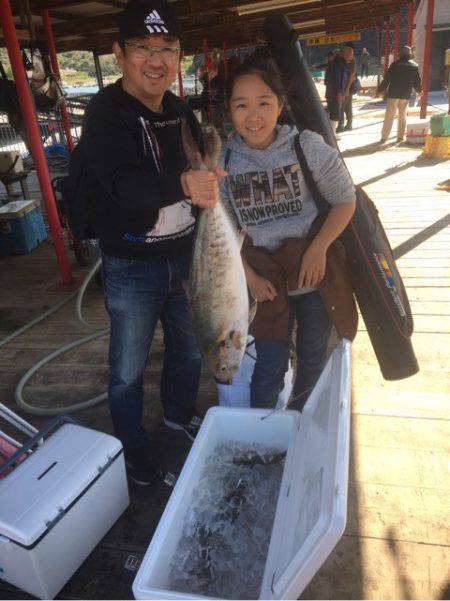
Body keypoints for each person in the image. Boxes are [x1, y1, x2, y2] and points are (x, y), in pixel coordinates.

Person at [81, 0, 224, 485]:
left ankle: (177, 417)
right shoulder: (105, 113)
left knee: (188, 351)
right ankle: (131, 445)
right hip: (130, 264)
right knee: (126, 369)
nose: (155, 59)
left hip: (187, 258)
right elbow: (122, 184)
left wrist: (207, 178)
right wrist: (185, 183)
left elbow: (196, 175)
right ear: (120, 53)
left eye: (166, 48)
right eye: (143, 47)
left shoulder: (180, 109)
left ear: (179, 54)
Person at [219, 56, 358, 410]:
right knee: (269, 366)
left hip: (312, 274)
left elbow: (345, 200)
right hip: (264, 283)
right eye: (241, 105)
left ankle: (300, 421)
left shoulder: (306, 146)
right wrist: (248, 277)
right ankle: (263, 436)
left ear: (280, 103)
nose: (254, 115)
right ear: (229, 110)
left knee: (313, 356)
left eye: (264, 102)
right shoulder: (224, 162)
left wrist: (319, 248)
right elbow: (224, 231)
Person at [378, 45, 422, 143]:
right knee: (403, 116)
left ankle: (384, 137)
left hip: (393, 94)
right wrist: (419, 90)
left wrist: (380, 90)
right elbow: (417, 81)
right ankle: (400, 137)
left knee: (389, 115)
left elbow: (387, 79)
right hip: (405, 95)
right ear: (410, 55)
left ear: (401, 55)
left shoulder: (394, 65)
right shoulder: (414, 66)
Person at [324, 48, 349, 136]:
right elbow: (339, 80)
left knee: (332, 112)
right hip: (335, 93)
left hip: (330, 93)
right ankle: (332, 134)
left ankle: (332, 133)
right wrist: (339, 92)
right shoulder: (339, 64)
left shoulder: (332, 64)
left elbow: (326, 81)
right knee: (335, 113)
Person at [337, 42, 356, 132]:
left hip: (348, 87)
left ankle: (341, 125)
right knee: (348, 106)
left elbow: (352, 75)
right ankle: (349, 125)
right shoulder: (347, 59)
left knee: (341, 107)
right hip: (348, 87)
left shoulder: (351, 60)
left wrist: (347, 89)